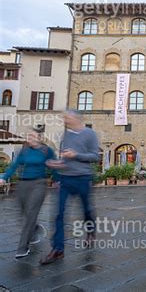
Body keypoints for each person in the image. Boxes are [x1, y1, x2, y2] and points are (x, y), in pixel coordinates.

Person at [40, 110, 100, 265]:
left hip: (83, 178)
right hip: (65, 179)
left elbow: (95, 156)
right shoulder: (65, 135)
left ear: (76, 118)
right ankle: (58, 249)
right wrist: (57, 164)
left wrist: (76, 155)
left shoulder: (89, 134)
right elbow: (64, 158)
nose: (64, 119)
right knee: (59, 214)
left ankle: (90, 230)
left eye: (67, 117)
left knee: (86, 210)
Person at [0, 127, 57, 258]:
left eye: (32, 136)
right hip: (23, 184)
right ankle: (35, 228)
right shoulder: (24, 151)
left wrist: (58, 180)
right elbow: (14, 165)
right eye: (28, 136)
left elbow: (53, 165)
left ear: (39, 138)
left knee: (31, 214)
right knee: (23, 212)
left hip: (39, 184)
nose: (29, 138)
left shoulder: (46, 151)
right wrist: (3, 177)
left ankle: (23, 247)